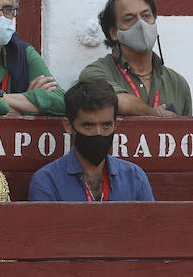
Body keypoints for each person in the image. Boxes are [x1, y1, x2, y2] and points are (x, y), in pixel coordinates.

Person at [27, 79, 155, 202]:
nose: (98, 133)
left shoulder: (134, 177)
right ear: (68, 125)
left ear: (116, 124)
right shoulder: (47, 181)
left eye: (106, 125)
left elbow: (150, 224)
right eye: (88, 125)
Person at [80, 0, 191, 115]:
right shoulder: (95, 72)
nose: (141, 24)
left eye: (146, 16)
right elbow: (119, 103)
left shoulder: (178, 83)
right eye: (129, 19)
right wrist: (156, 114)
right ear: (114, 32)